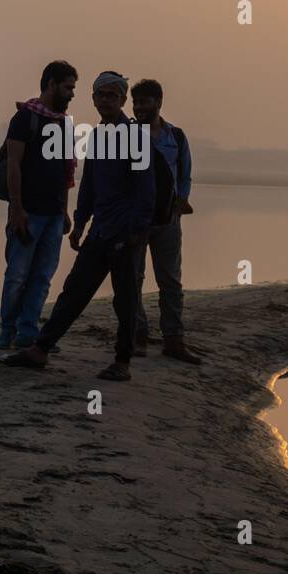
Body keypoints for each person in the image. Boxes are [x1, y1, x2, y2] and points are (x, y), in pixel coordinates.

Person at [0, 71, 154, 381]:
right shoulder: (97, 136)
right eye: (101, 95)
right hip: (99, 231)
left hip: (124, 232)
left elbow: (145, 190)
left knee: (124, 299)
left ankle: (122, 361)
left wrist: (136, 231)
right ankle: (40, 349)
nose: (106, 100)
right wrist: (80, 223)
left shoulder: (136, 136)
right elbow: (90, 186)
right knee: (73, 292)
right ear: (94, 99)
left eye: (113, 95)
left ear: (123, 100)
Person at [0, 60, 78, 353]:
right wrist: (17, 208)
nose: (71, 94)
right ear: (51, 84)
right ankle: (7, 332)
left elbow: (67, 172)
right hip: (28, 212)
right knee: (17, 275)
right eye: (68, 87)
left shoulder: (65, 124)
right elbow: (13, 165)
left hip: (53, 214)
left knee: (42, 277)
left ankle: (27, 332)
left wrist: (65, 210)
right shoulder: (25, 119)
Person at [131, 79, 202, 364]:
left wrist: (180, 200)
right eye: (135, 103)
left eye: (144, 102)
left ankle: (174, 339)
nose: (139, 108)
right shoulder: (129, 135)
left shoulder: (177, 137)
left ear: (158, 102)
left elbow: (184, 175)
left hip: (168, 220)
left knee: (170, 281)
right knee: (133, 279)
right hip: (136, 218)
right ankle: (137, 334)